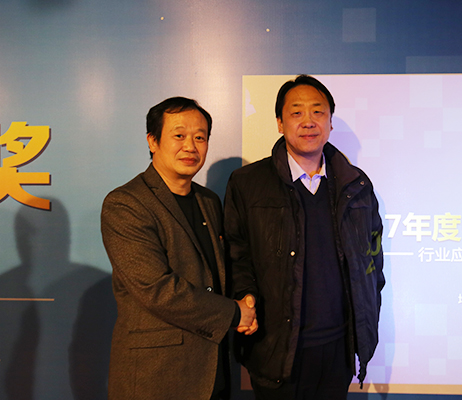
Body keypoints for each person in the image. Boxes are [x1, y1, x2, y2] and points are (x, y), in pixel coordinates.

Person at [224, 75, 385, 399]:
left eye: (318, 112)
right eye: (296, 112)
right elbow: (236, 256)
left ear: (330, 122)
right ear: (280, 123)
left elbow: (372, 261)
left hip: (338, 349)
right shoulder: (248, 183)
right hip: (276, 349)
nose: (308, 121)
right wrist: (246, 297)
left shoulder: (356, 185)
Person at [101, 97, 257, 400]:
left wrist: (247, 299)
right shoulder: (126, 204)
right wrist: (234, 313)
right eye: (179, 135)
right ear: (152, 141)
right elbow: (156, 289)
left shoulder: (208, 201)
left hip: (212, 371)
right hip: (157, 376)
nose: (190, 146)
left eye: (200, 137)